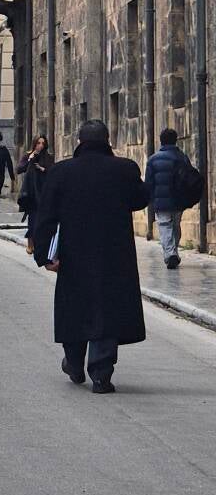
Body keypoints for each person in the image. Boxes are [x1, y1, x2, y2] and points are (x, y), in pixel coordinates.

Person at [33, 118, 149, 394]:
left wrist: (44, 255)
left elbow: (46, 215)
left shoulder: (61, 172)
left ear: (79, 142)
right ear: (108, 141)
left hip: (74, 255)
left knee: (75, 308)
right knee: (107, 310)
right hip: (114, 255)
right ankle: (101, 373)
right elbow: (139, 200)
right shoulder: (125, 169)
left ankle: (74, 363)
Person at [144, 127, 193, 269]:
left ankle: (170, 254)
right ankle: (173, 252)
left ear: (161, 141)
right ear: (175, 140)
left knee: (165, 226)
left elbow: (149, 183)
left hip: (160, 201)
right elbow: (189, 178)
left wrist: (150, 199)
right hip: (178, 200)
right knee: (175, 225)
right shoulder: (182, 157)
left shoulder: (153, 160)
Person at [17, 134, 54, 254]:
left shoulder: (48, 157)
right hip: (31, 192)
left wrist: (42, 169)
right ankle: (30, 244)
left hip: (43, 192)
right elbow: (19, 169)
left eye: (43, 143)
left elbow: (53, 172)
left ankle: (40, 244)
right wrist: (30, 159)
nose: (41, 146)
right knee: (32, 218)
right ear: (34, 144)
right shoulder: (28, 155)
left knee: (42, 219)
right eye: (38, 143)